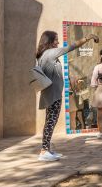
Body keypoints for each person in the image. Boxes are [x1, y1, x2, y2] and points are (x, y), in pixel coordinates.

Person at [36, 30, 98, 162]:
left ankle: (46, 149)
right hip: (53, 94)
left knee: (50, 121)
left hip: (51, 93)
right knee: (51, 122)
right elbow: (71, 47)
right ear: (50, 41)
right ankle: (44, 151)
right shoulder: (50, 53)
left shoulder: (43, 55)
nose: (58, 42)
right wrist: (88, 37)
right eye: (56, 39)